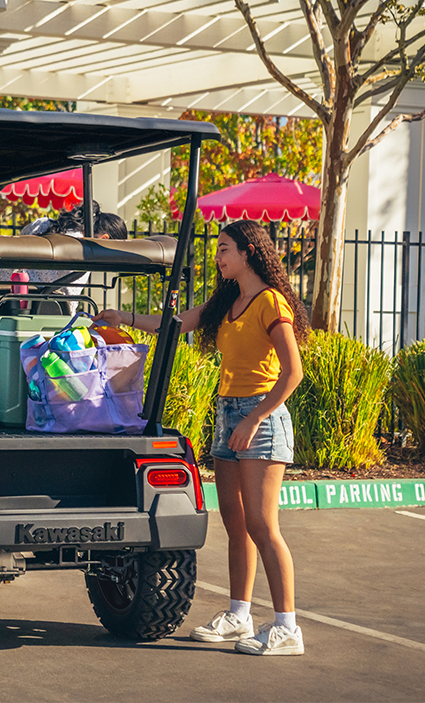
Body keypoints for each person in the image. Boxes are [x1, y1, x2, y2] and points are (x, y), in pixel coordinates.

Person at [97, 220, 309, 656]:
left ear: (249, 252)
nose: (218, 256)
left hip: (260, 417)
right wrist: (124, 318)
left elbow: (293, 373)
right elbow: (173, 323)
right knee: (236, 525)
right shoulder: (228, 299)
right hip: (228, 413)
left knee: (262, 526)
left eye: (225, 248)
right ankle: (239, 615)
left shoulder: (270, 302)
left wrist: (254, 420)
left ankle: (288, 627)